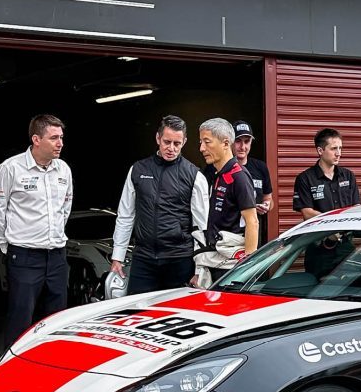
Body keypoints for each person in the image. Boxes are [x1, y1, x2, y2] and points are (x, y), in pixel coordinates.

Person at [0, 114, 73, 348]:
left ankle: (53, 367)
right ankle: (12, 373)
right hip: (24, 256)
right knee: (20, 319)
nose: (60, 143)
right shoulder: (10, 168)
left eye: (61, 137)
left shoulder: (63, 170)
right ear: (36, 139)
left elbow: (65, 207)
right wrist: (7, 246)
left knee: (57, 319)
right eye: (54, 138)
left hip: (56, 255)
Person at [109, 115, 208, 295]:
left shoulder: (194, 175)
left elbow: (202, 226)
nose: (171, 148)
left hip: (179, 260)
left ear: (184, 142)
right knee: (135, 314)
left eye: (177, 144)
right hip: (143, 259)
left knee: (179, 319)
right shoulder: (138, 170)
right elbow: (125, 215)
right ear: (157, 138)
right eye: (166, 142)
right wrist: (118, 257)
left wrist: (200, 268)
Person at [195, 118, 258, 285]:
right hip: (216, 260)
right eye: (201, 142)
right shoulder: (219, 174)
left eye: (207, 142)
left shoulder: (238, 176)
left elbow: (252, 222)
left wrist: (247, 266)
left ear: (225, 143)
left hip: (231, 266)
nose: (202, 148)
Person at [292, 127, 361, 278]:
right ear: (320, 150)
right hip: (318, 248)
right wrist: (332, 228)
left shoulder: (348, 176)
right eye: (334, 148)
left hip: (346, 245)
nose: (339, 153)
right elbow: (307, 212)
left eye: (340, 148)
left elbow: (356, 208)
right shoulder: (305, 178)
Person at [231, 120, 273, 247]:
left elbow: (269, 199)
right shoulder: (219, 167)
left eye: (247, 141)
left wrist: (266, 206)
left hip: (253, 235)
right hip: (228, 236)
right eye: (238, 141)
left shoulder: (260, 167)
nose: (243, 147)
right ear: (229, 142)